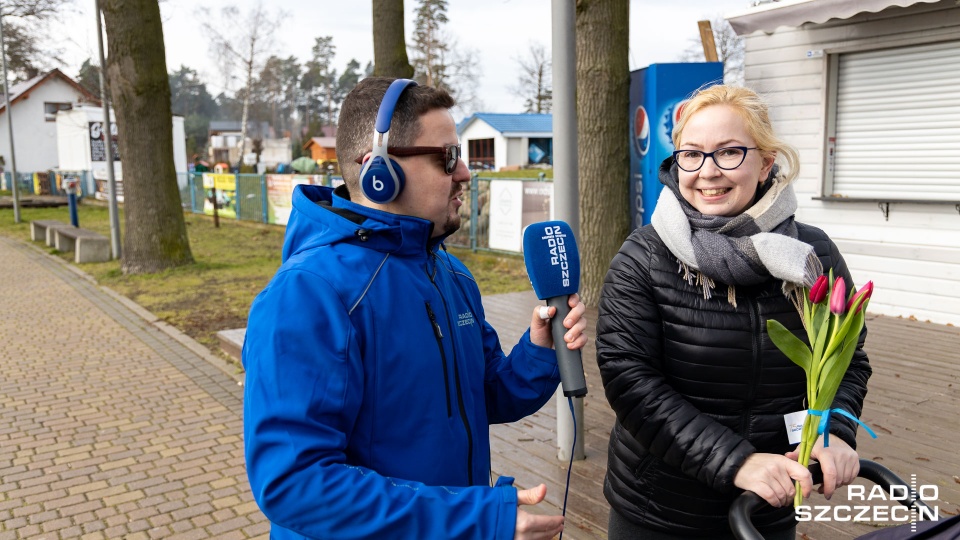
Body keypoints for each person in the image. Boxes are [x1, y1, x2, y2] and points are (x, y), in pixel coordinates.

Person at [242, 77, 587, 540]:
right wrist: (477, 520)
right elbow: (295, 484)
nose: (465, 173)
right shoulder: (307, 294)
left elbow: (484, 397)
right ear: (378, 172)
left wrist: (538, 350)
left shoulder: (451, 273)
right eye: (447, 157)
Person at [596, 85, 872, 539]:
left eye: (728, 153)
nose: (707, 172)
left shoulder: (812, 253)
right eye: (692, 154)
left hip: (768, 503)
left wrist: (835, 429)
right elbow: (630, 381)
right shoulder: (644, 256)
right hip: (661, 510)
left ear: (765, 162)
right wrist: (736, 461)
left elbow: (848, 359)